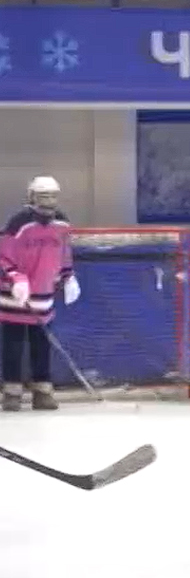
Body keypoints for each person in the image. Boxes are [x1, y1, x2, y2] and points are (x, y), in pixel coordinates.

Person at [0, 176, 75, 412]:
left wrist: (68, 276)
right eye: (43, 196)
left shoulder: (62, 223)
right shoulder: (18, 223)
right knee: (12, 344)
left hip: (43, 296)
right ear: (32, 196)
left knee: (41, 343)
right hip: (15, 295)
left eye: (53, 195)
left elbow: (64, 253)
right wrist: (16, 279)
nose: (48, 201)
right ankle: (11, 391)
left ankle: (42, 390)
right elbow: (4, 255)